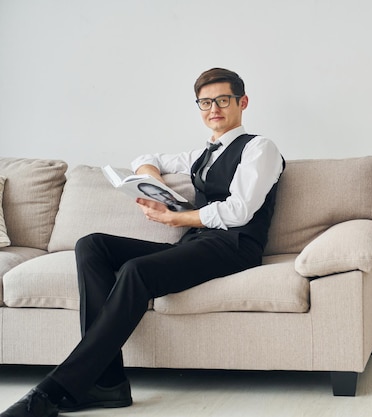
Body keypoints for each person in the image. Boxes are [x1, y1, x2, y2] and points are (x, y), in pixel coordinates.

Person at [0, 68, 284, 417]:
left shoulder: (260, 148)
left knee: (136, 271)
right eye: (205, 102)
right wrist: (158, 190)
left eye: (223, 100)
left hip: (234, 247)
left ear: (242, 102)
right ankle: (107, 384)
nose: (214, 109)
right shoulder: (202, 154)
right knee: (92, 245)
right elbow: (145, 159)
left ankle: (54, 389)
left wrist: (175, 218)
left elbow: (239, 211)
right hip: (196, 243)